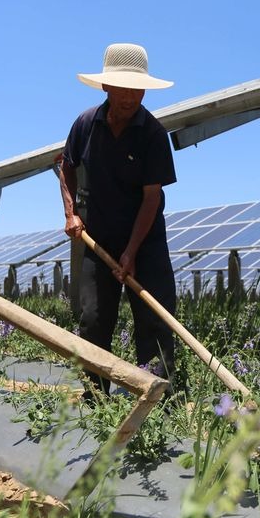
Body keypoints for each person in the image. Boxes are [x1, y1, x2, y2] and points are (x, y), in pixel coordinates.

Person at [57, 43, 180, 397]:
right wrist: (71, 214)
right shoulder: (85, 125)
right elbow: (66, 167)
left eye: (137, 89)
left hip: (146, 243)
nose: (131, 96)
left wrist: (131, 252)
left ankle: (158, 399)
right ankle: (95, 396)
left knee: (153, 322)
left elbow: (151, 198)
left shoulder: (153, 135)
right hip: (100, 239)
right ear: (106, 87)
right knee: (94, 319)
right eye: (123, 88)